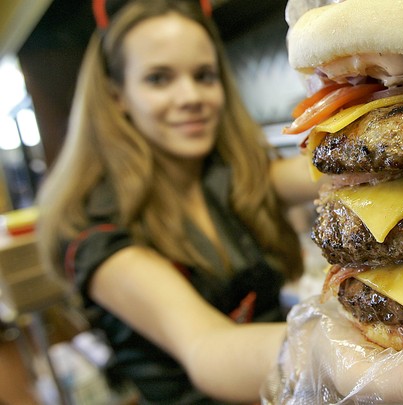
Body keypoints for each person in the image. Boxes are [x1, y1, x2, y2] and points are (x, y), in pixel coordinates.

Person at [35, 0, 319, 403]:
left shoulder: (230, 178)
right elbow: (206, 347)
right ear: (117, 95)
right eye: (159, 79)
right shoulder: (97, 231)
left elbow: (324, 172)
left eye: (204, 76)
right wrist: (326, 351)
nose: (190, 96)